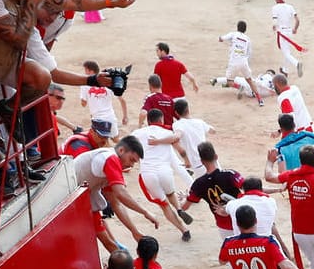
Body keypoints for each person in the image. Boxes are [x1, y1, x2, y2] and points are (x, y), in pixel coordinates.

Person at [74, 135, 159, 253]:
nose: (131, 165)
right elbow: (120, 193)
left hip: (81, 197)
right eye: (132, 160)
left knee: (108, 240)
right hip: (73, 199)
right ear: (121, 150)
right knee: (108, 243)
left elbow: (116, 204)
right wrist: (145, 212)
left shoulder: (109, 161)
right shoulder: (111, 159)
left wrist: (134, 231)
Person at [129, 108, 192, 240]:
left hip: (148, 174)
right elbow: (179, 148)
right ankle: (179, 209)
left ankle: (184, 230)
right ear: (161, 119)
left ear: (148, 121)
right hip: (165, 171)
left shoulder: (137, 133)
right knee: (170, 193)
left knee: (164, 205)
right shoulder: (168, 133)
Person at [183, 141, 244, 254]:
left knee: (233, 254)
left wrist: (182, 201)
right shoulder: (230, 174)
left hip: (224, 224)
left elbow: (185, 207)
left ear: (201, 161)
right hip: (242, 219)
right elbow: (250, 189)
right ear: (216, 156)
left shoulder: (198, 184)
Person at [170, 98, 214, 180]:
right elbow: (213, 130)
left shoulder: (178, 125)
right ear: (188, 110)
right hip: (211, 160)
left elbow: (177, 136)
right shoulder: (199, 122)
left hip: (197, 164)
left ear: (176, 113)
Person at [218, 20, 261, 104]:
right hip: (244, 62)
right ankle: (260, 100)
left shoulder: (233, 34)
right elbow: (249, 53)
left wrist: (219, 38)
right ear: (245, 29)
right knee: (250, 81)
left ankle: (240, 87)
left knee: (229, 81)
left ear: (237, 27)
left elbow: (221, 38)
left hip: (233, 62)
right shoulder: (248, 39)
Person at [80, 59, 125, 136]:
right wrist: (125, 116)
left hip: (97, 118)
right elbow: (122, 100)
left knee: (101, 142)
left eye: (85, 70)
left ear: (90, 71)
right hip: (110, 117)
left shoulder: (85, 85)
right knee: (116, 139)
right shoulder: (108, 82)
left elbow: (83, 104)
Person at [270, 0, 304, 77]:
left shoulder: (275, 8)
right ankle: (284, 70)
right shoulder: (290, 7)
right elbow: (297, 20)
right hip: (289, 32)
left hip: (282, 32)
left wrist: (274, 27)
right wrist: (295, 29)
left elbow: (275, 22)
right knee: (287, 52)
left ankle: (297, 64)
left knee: (286, 53)